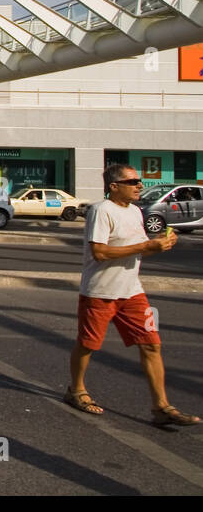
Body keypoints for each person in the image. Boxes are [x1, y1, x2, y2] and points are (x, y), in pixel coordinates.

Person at [65, 164, 197, 425]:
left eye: (139, 181)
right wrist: (147, 244)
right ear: (114, 186)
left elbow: (138, 250)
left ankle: (161, 406)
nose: (140, 185)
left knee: (151, 344)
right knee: (88, 344)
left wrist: (159, 245)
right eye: (133, 181)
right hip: (100, 292)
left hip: (132, 291)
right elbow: (100, 253)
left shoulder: (136, 212)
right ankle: (76, 390)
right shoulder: (101, 211)